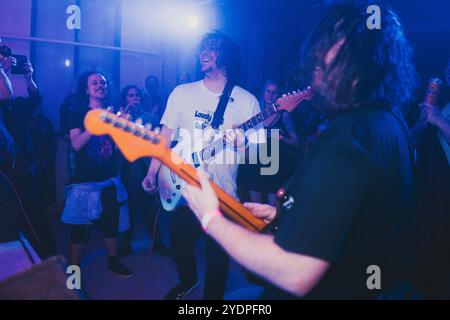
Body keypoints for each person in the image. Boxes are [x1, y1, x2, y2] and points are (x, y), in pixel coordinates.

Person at [181, 1, 417, 299]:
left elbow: (295, 272)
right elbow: (359, 216)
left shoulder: (349, 138)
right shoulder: (390, 120)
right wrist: (289, 213)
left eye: (325, 52)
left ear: (356, 58)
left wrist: (210, 217)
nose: (315, 67)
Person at [142, 31, 262, 300]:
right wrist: (152, 171)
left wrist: (242, 143)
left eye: (213, 48)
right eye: (201, 49)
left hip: (222, 195)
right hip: (181, 188)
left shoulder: (247, 101)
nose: (203, 54)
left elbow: (258, 156)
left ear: (227, 56)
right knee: (181, 245)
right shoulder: (182, 93)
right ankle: (187, 282)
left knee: (217, 256)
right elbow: (164, 137)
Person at [61, 69, 132, 278]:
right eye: (94, 82)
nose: (100, 85)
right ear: (86, 88)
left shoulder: (112, 113)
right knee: (79, 233)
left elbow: (119, 149)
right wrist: (95, 125)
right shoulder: (76, 112)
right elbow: (76, 144)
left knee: (111, 225)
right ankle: (74, 275)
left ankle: (113, 262)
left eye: (103, 82)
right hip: (84, 182)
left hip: (109, 179)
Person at [0, 50, 57, 257]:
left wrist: (28, 77)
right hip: (7, 171)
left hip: (21, 167)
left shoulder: (15, 105)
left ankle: (47, 258)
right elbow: (5, 93)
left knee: (33, 215)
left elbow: (35, 98)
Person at [411, 59, 450, 298]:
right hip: (434, 182)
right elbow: (418, 136)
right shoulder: (445, 105)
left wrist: (438, 120)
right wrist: (424, 121)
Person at [118, 85, 169, 257]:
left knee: (151, 207)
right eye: (130, 95)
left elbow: (159, 143)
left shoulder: (151, 117)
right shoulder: (121, 117)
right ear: (125, 99)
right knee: (129, 208)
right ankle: (125, 243)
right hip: (128, 169)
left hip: (147, 167)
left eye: (137, 95)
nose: (134, 98)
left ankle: (158, 242)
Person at [242, 80, 300, 205]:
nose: (270, 95)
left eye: (274, 92)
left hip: (273, 166)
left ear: (279, 95)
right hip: (254, 164)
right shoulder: (255, 110)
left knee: (272, 209)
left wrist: (280, 137)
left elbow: (296, 142)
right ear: (263, 92)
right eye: (268, 91)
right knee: (255, 209)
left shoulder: (283, 115)